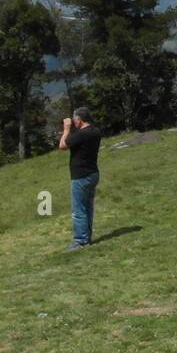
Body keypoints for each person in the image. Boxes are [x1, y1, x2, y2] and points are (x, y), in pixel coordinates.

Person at [59, 107, 101, 251]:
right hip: (93, 173)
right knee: (88, 207)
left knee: (78, 210)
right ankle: (87, 237)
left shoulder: (81, 134)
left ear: (79, 120)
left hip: (81, 176)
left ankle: (80, 241)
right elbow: (79, 138)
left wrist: (66, 129)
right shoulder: (95, 131)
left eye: (75, 119)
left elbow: (62, 145)